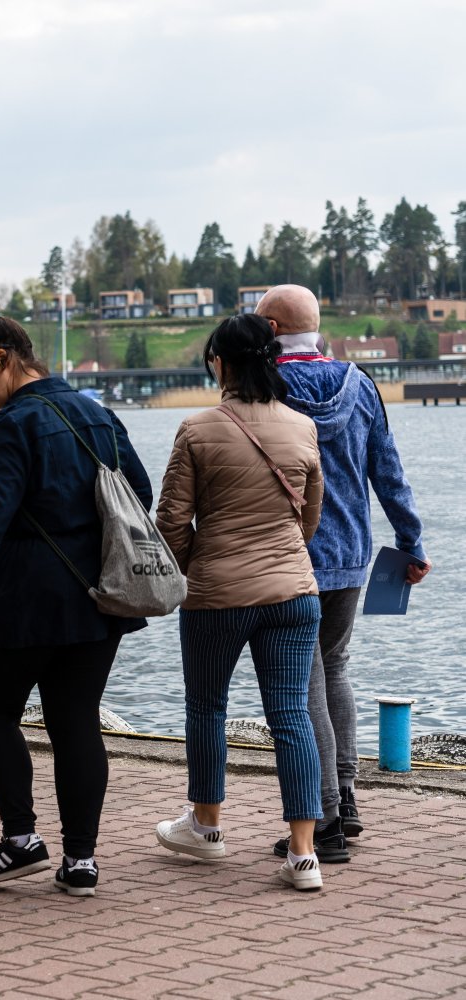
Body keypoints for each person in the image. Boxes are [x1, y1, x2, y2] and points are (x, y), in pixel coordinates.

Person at [0, 292, 152, 898]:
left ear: (3, 358)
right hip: (94, 598)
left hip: (15, 603)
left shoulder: (11, 426)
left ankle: (21, 839)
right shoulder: (96, 414)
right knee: (77, 723)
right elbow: (139, 495)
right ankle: (80, 861)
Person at [153, 313, 327, 892]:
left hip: (218, 594)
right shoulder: (302, 427)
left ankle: (206, 827)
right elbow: (309, 518)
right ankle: (304, 854)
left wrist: (193, 569)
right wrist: (277, 556)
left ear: (221, 363)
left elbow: (172, 522)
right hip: (293, 593)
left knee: (207, 707)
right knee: (291, 714)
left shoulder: (198, 429)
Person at [257, 284, 429, 855]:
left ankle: (324, 819)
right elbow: (389, 469)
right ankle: (348, 794)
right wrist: (411, 540)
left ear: (274, 330)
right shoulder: (360, 384)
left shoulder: (267, 387)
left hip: (290, 555)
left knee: (303, 681)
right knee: (335, 669)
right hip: (352, 555)